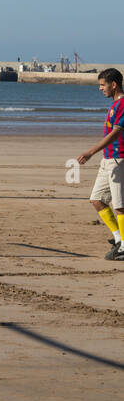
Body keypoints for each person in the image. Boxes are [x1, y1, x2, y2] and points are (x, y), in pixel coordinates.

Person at [76, 67, 124, 261]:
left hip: (118, 159)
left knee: (119, 205)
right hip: (108, 159)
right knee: (97, 199)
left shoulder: (123, 104)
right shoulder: (114, 104)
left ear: (114, 85)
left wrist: (90, 152)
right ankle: (119, 238)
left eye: (102, 85)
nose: (100, 88)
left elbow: (116, 133)